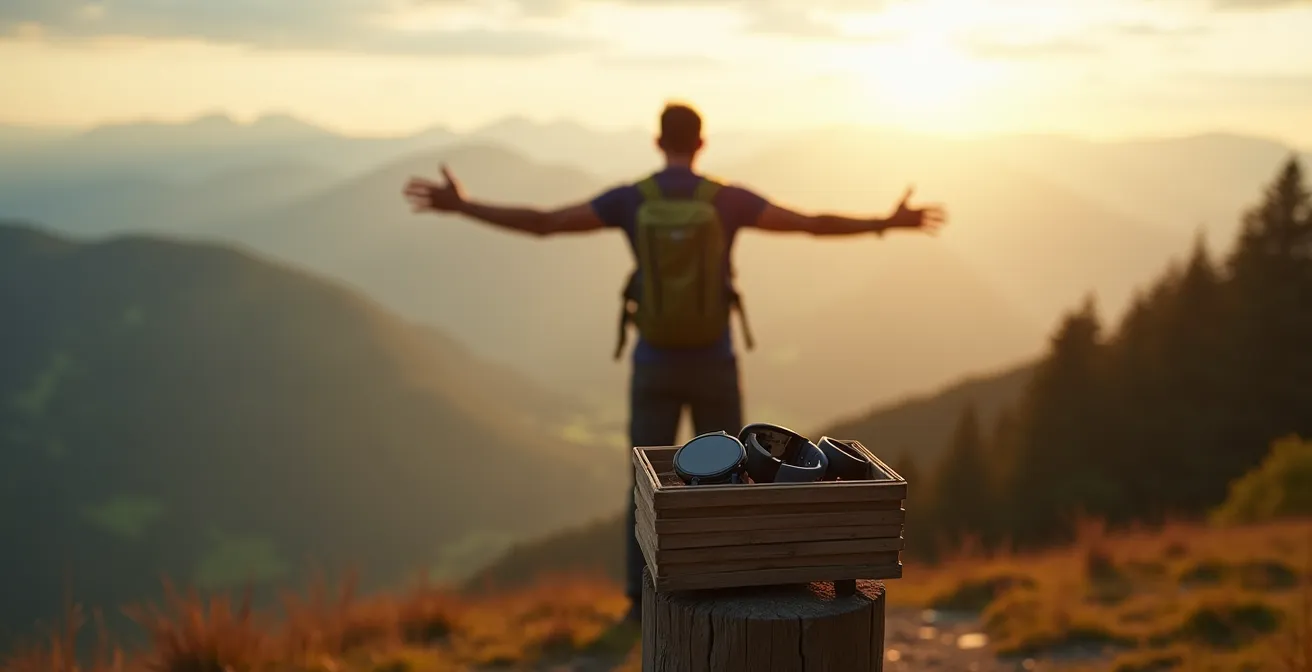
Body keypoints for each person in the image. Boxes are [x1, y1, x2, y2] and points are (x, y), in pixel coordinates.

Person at [402, 102, 945, 624]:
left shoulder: (631, 200)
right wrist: (888, 221)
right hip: (715, 360)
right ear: (701, 143)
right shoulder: (725, 200)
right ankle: (735, 579)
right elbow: (810, 223)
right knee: (737, 475)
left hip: (654, 363)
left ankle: (640, 600)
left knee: (645, 482)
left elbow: (546, 223)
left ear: (659, 142)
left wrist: (464, 205)